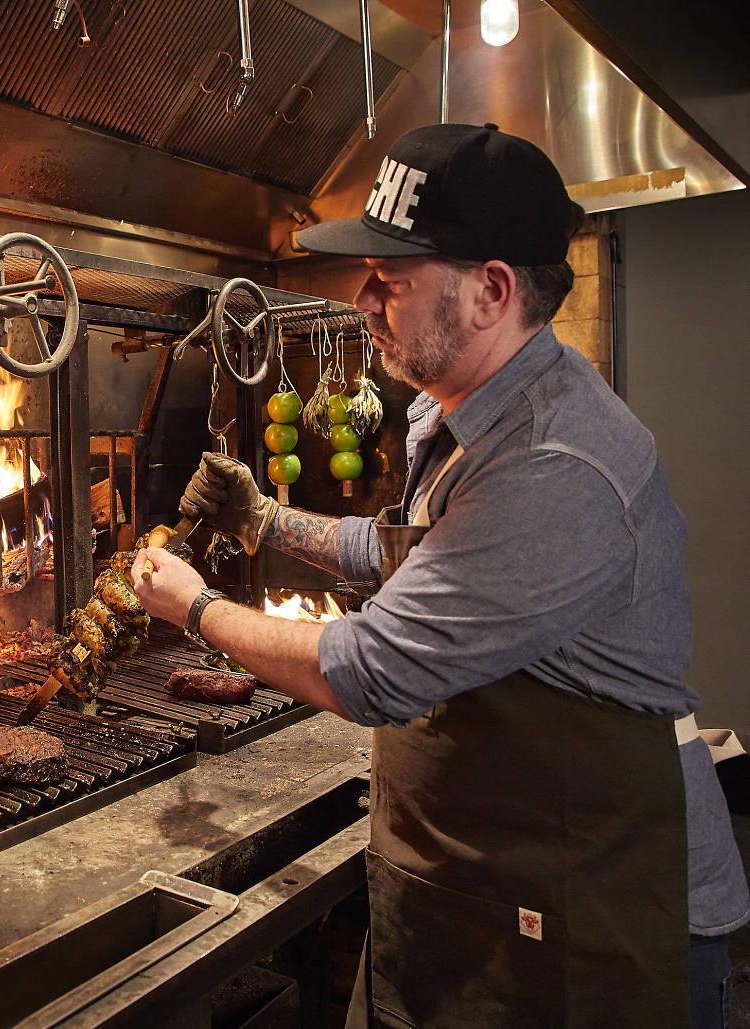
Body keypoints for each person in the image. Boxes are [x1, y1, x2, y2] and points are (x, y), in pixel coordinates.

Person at [130, 122, 748, 1027]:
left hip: (594, 930)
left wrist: (200, 609)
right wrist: (263, 517)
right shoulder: (468, 413)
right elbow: (410, 558)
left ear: (492, 291)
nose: (363, 297)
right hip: (508, 892)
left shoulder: (556, 459)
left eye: (394, 278)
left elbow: (370, 669)